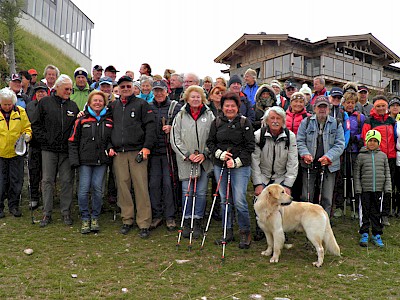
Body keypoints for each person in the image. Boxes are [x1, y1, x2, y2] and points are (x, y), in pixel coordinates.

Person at [207, 91, 255, 249]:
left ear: (237, 107)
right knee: (225, 199)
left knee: (240, 200)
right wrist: (220, 154)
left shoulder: (244, 122)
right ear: (222, 106)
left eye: (232, 106)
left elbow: (250, 147)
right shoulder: (216, 122)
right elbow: (210, 143)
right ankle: (227, 230)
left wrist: (236, 161)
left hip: (240, 166)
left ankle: (244, 231)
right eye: (226, 105)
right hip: (220, 164)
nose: (229, 108)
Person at [110, 75, 156, 238]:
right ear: (119, 89)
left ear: (133, 87)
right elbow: (109, 127)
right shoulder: (113, 106)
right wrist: (110, 146)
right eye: (122, 87)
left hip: (137, 152)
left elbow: (151, 127)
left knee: (141, 187)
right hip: (119, 153)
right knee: (123, 187)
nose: (125, 89)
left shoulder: (142, 105)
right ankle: (127, 219)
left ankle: (144, 222)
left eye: (128, 86)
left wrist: (146, 147)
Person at [32, 74, 80, 227]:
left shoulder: (73, 106)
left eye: (71, 89)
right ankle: (47, 213)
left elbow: (76, 128)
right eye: (66, 89)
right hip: (48, 150)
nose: (69, 91)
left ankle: (66, 212)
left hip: (66, 151)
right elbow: (35, 124)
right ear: (57, 88)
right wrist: (45, 140)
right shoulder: (45, 102)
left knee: (67, 181)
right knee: (47, 181)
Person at [170, 85, 214, 239]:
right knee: (187, 191)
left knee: (201, 192)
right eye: (192, 96)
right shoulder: (180, 116)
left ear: (202, 98)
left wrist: (205, 154)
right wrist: (187, 155)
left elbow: (213, 137)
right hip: (186, 161)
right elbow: (175, 139)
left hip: (203, 160)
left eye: (198, 96)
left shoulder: (209, 115)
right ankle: (187, 218)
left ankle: (198, 219)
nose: (195, 99)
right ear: (187, 98)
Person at [69, 90, 113, 234]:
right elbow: (73, 141)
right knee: (83, 190)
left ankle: (95, 217)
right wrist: (75, 160)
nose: (97, 103)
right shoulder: (81, 120)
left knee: (98, 190)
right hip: (84, 161)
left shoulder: (109, 121)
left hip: (101, 161)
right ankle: (85, 217)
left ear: (104, 103)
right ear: (89, 103)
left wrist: (110, 148)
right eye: (95, 100)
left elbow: (111, 140)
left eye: (100, 101)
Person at [251, 106, 298, 241]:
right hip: (263, 174)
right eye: (272, 118)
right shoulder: (258, 136)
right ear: (266, 120)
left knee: (281, 203)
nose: (275, 121)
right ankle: (261, 227)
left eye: (278, 118)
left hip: (281, 175)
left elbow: (293, 162)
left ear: (283, 121)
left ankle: (281, 229)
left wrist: (287, 184)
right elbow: (255, 162)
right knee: (260, 201)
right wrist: (258, 183)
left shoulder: (290, 136)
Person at [296, 96, 345, 216]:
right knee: (306, 195)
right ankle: (306, 220)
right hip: (309, 164)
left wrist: (329, 157)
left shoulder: (336, 123)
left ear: (329, 108)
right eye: (320, 107)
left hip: (329, 165)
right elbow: (299, 141)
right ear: (314, 108)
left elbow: (340, 144)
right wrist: (305, 154)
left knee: (327, 197)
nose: (322, 109)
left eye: (325, 107)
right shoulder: (306, 122)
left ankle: (325, 221)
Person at [148, 81, 182, 231]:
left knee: (169, 184)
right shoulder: (148, 107)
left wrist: (172, 128)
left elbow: (182, 127)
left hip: (170, 152)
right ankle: (157, 215)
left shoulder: (176, 107)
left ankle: (170, 216)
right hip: (154, 152)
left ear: (167, 91)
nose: (159, 94)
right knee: (154, 184)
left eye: (161, 91)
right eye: (156, 91)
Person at [362, 95, 396, 226]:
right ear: (374, 107)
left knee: (388, 186)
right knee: (375, 186)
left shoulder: (391, 121)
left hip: (391, 157)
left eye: (383, 106)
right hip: (376, 157)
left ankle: (385, 214)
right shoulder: (369, 121)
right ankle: (373, 212)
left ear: (386, 107)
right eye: (378, 106)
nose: (381, 108)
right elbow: (365, 138)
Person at [355, 130, 391, 248]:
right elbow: (357, 174)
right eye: (370, 140)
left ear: (379, 143)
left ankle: (376, 233)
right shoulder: (361, 156)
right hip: (365, 189)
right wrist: (358, 187)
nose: (372, 143)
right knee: (364, 212)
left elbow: (387, 173)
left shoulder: (383, 156)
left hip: (379, 189)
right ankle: (364, 232)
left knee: (376, 212)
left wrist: (387, 187)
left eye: (375, 141)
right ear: (366, 141)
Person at [333, 88, 365, 218]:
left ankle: (355, 207)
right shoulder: (339, 115)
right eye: (348, 102)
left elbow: (363, 134)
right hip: (342, 151)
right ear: (343, 103)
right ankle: (340, 206)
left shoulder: (359, 117)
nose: (350, 105)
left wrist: (355, 138)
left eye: (352, 102)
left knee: (354, 179)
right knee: (341, 178)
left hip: (354, 151)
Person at [0, 88, 32, 218]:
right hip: (1, 154)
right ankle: (0, 207)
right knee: (1, 182)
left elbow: (27, 128)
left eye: (9, 104)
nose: (7, 107)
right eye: (4, 104)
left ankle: (14, 206)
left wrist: (27, 136)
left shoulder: (21, 112)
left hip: (16, 154)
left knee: (16, 181)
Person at [25, 82, 48, 210]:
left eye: (43, 91)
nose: (40, 93)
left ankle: (46, 197)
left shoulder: (51, 105)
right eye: (38, 92)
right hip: (34, 144)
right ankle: (34, 197)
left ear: (47, 93)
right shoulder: (30, 106)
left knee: (46, 174)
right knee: (34, 172)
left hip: (46, 145)